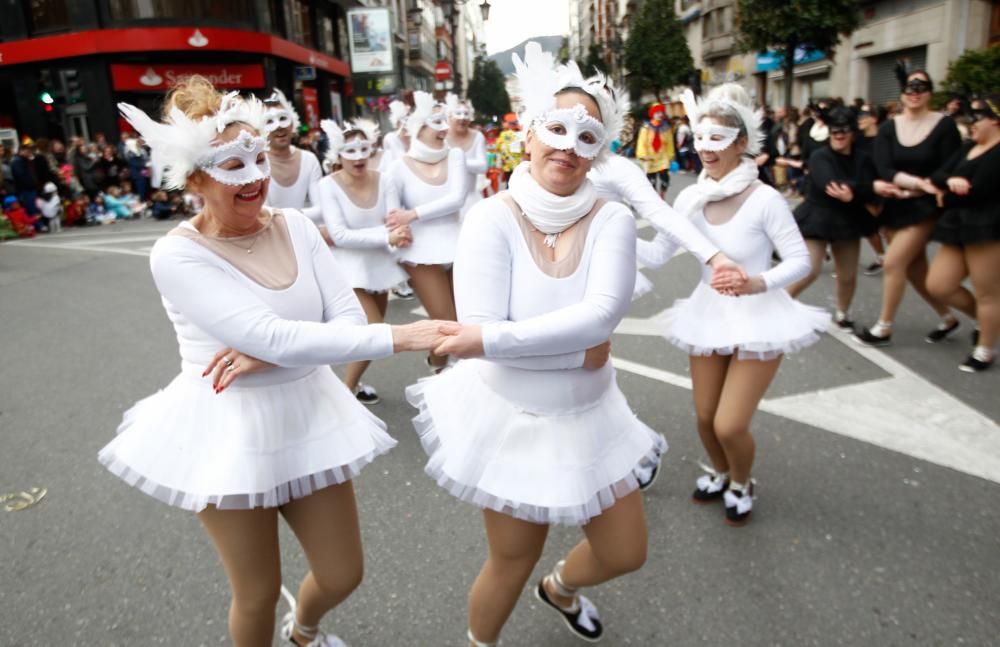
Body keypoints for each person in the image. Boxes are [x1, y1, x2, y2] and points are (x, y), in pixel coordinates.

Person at [98, 77, 444, 647]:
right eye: (233, 164)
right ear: (195, 178)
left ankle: (304, 632)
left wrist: (269, 352)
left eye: (258, 157)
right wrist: (400, 338)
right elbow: (275, 336)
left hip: (310, 411)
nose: (257, 176)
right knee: (257, 593)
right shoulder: (176, 255)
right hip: (226, 426)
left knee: (342, 573)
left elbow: (346, 323)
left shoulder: (299, 227)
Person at [407, 44, 665, 647]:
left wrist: (505, 341)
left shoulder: (612, 220)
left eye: (586, 136)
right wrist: (578, 352)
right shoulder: (490, 218)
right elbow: (480, 334)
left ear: (600, 150)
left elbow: (598, 317)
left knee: (626, 551)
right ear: (528, 133)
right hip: (512, 419)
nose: (568, 147)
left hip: (594, 416)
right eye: (556, 128)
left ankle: (562, 587)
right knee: (510, 560)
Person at [663, 85, 829, 526]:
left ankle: (741, 480)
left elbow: (801, 261)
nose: (704, 149)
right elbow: (660, 251)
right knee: (703, 418)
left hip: (759, 316)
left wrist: (758, 282)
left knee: (729, 424)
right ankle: (719, 471)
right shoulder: (690, 197)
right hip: (707, 313)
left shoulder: (765, 199)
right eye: (699, 138)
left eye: (717, 139)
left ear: (742, 143)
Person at [854, 70, 963, 347]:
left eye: (921, 86)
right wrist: (916, 183)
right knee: (915, 271)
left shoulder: (944, 125)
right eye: (909, 87)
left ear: (930, 91)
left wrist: (928, 186)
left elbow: (952, 164)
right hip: (895, 203)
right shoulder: (890, 127)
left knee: (892, 263)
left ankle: (884, 327)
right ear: (902, 92)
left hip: (927, 206)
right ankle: (948, 318)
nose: (914, 92)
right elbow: (884, 167)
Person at [318, 118, 411, 404]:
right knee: (373, 332)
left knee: (371, 332)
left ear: (372, 149)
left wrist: (396, 233)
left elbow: (394, 221)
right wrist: (386, 236)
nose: (358, 157)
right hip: (347, 270)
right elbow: (340, 235)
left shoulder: (385, 180)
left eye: (363, 149)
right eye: (350, 150)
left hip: (380, 268)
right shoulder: (327, 186)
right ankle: (344, 393)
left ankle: (351, 385)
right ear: (338, 154)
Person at [385, 90, 467, 374]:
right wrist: (402, 226)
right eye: (436, 122)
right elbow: (393, 216)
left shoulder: (455, 156)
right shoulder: (396, 168)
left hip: (459, 247)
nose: (445, 127)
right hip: (420, 253)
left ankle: (453, 374)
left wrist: (414, 214)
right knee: (444, 322)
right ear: (419, 127)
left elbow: (457, 198)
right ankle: (438, 368)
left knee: (466, 321)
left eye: (445, 120)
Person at [922, 96, 1000, 372]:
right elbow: (938, 176)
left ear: (994, 119)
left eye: (976, 117)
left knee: (988, 292)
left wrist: (948, 194)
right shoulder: (968, 146)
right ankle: (987, 321)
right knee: (939, 284)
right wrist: (950, 183)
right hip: (958, 224)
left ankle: (985, 349)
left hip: (988, 226)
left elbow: (979, 189)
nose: (970, 123)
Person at [788, 106, 878, 328]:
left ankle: (842, 314)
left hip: (849, 218)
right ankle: (775, 306)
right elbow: (829, 184)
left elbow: (871, 188)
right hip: (818, 216)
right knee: (809, 269)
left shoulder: (863, 158)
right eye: (834, 131)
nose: (838, 135)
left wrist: (856, 192)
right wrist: (860, 189)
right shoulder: (820, 156)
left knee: (847, 275)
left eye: (843, 131)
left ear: (852, 133)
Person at [261, 89, 324, 226]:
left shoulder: (309, 160)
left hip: (302, 234)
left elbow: (321, 211)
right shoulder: (257, 164)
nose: (278, 127)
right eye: (269, 122)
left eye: (283, 118)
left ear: (292, 122)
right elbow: (263, 215)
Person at [855, 103, 888, 275]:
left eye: (864, 116)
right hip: (864, 186)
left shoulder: (885, 138)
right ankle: (882, 257)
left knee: (885, 226)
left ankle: (898, 258)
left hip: (883, 185)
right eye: (859, 116)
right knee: (869, 224)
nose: (860, 119)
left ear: (874, 119)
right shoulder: (857, 139)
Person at [444, 93, 488, 218]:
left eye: (466, 114)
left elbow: (483, 166)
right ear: (449, 116)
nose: (462, 118)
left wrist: (457, 162)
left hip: (472, 199)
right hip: (447, 199)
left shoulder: (478, 136)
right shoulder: (442, 137)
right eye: (458, 113)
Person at [636, 102, 674, 196]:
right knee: (651, 182)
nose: (660, 115)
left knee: (665, 179)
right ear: (653, 114)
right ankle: (654, 198)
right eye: (657, 113)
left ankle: (662, 195)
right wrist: (643, 155)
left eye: (661, 112)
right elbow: (642, 142)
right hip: (650, 158)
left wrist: (670, 156)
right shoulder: (646, 128)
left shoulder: (666, 128)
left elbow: (670, 144)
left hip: (662, 158)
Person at [494, 112, 523, 187]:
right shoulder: (520, 134)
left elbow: (498, 147)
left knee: (509, 184)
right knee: (519, 183)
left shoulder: (503, 134)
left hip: (507, 165)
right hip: (519, 164)